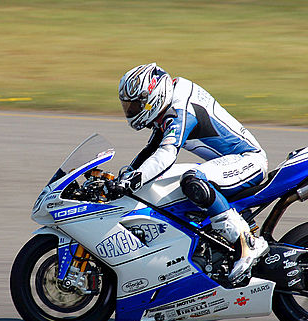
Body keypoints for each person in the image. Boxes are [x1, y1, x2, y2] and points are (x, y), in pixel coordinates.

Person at [114, 63, 269, 286]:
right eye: (127, 105)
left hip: (249, 161)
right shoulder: (169, 104)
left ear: (152, 96)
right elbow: (150, 151)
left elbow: (167, 154)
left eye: (135, 104)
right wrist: (124, 177)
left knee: (192, 180)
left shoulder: (181, 107)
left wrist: (133, 180)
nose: (131, 111)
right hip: (234, 162)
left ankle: (247, 243)